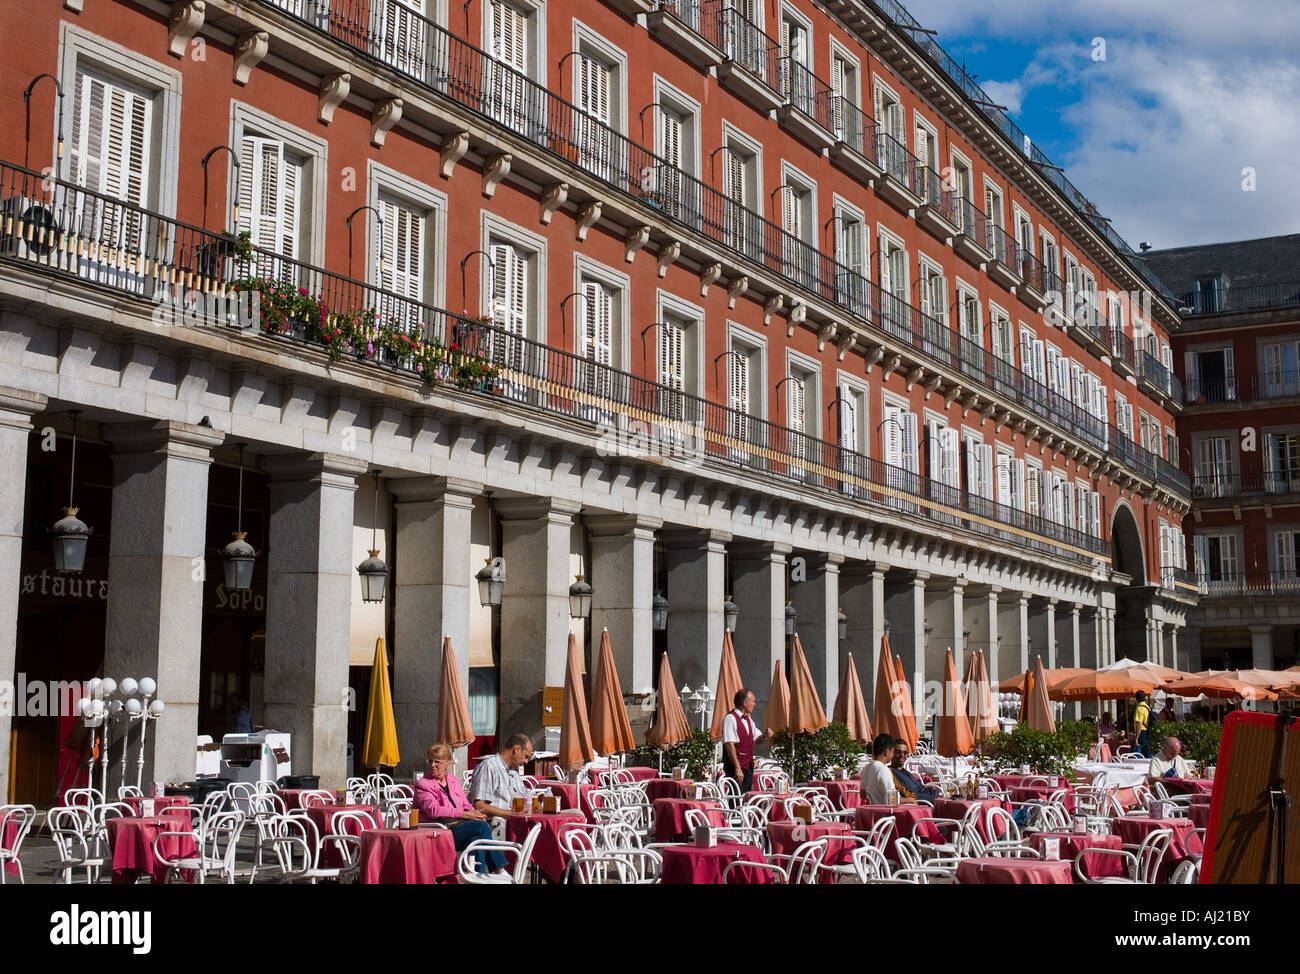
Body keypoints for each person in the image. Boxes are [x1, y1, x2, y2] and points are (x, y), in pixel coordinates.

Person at [414, 744, 508, 876]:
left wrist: (475, 814)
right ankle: (499, 869)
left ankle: (477, 877)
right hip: (438, 832)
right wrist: (465, 814)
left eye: (437, 762)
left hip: (457, 827)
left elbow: (465, 804)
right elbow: (433, 811)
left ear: (447, 764)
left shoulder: (453, 780)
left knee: (475, 840)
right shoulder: (423, 784)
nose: (433, 765)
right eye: (430, 761)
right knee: (481, 828)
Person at [469, 734, 533, 838]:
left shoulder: (513, 772)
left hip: (513, 827)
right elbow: (480, 806)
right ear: (516, 749)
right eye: (526, 756)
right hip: (494, 829)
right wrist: (510, 814)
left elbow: (525, 798)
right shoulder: (489, 766)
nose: (526, 761)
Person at [721, 688, 766, 792]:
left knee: (745, 798)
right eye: (753, 701)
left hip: (748, 766)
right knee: (736, 799)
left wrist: (765, 736)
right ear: (745, 703)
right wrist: (737, 768)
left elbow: (757, 739)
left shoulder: (748, 719)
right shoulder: (730, 719)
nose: (754, 704)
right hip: (735, 767)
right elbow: (729, 744)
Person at [889, 738, 940, 803]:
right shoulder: (891, 772)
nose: (902, 755)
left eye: (905, 753)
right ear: (892, 753)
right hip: (921, 804)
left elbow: (921, 788)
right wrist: (934, 798)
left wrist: (934, 794)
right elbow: (907, 794)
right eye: (898, 752)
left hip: (928, 799)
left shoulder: (906, 772)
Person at [860, 733, 897, 805]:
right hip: (886, 812)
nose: (893, 755)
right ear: (887, 751)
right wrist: (908, 800)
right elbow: (892, 799)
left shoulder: (866, 768)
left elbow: (863, 795)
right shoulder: (883, 770)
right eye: (893, 751)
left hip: (873, 811)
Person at [1132, 691, 1151, 757]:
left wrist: (1136, 738)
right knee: (1147, 751)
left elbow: (1139, 724)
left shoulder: (1139, 709)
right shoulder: (1147, 707)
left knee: (1137, 752)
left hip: (1141, 733)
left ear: (1136, 699)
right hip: (1147, 732)